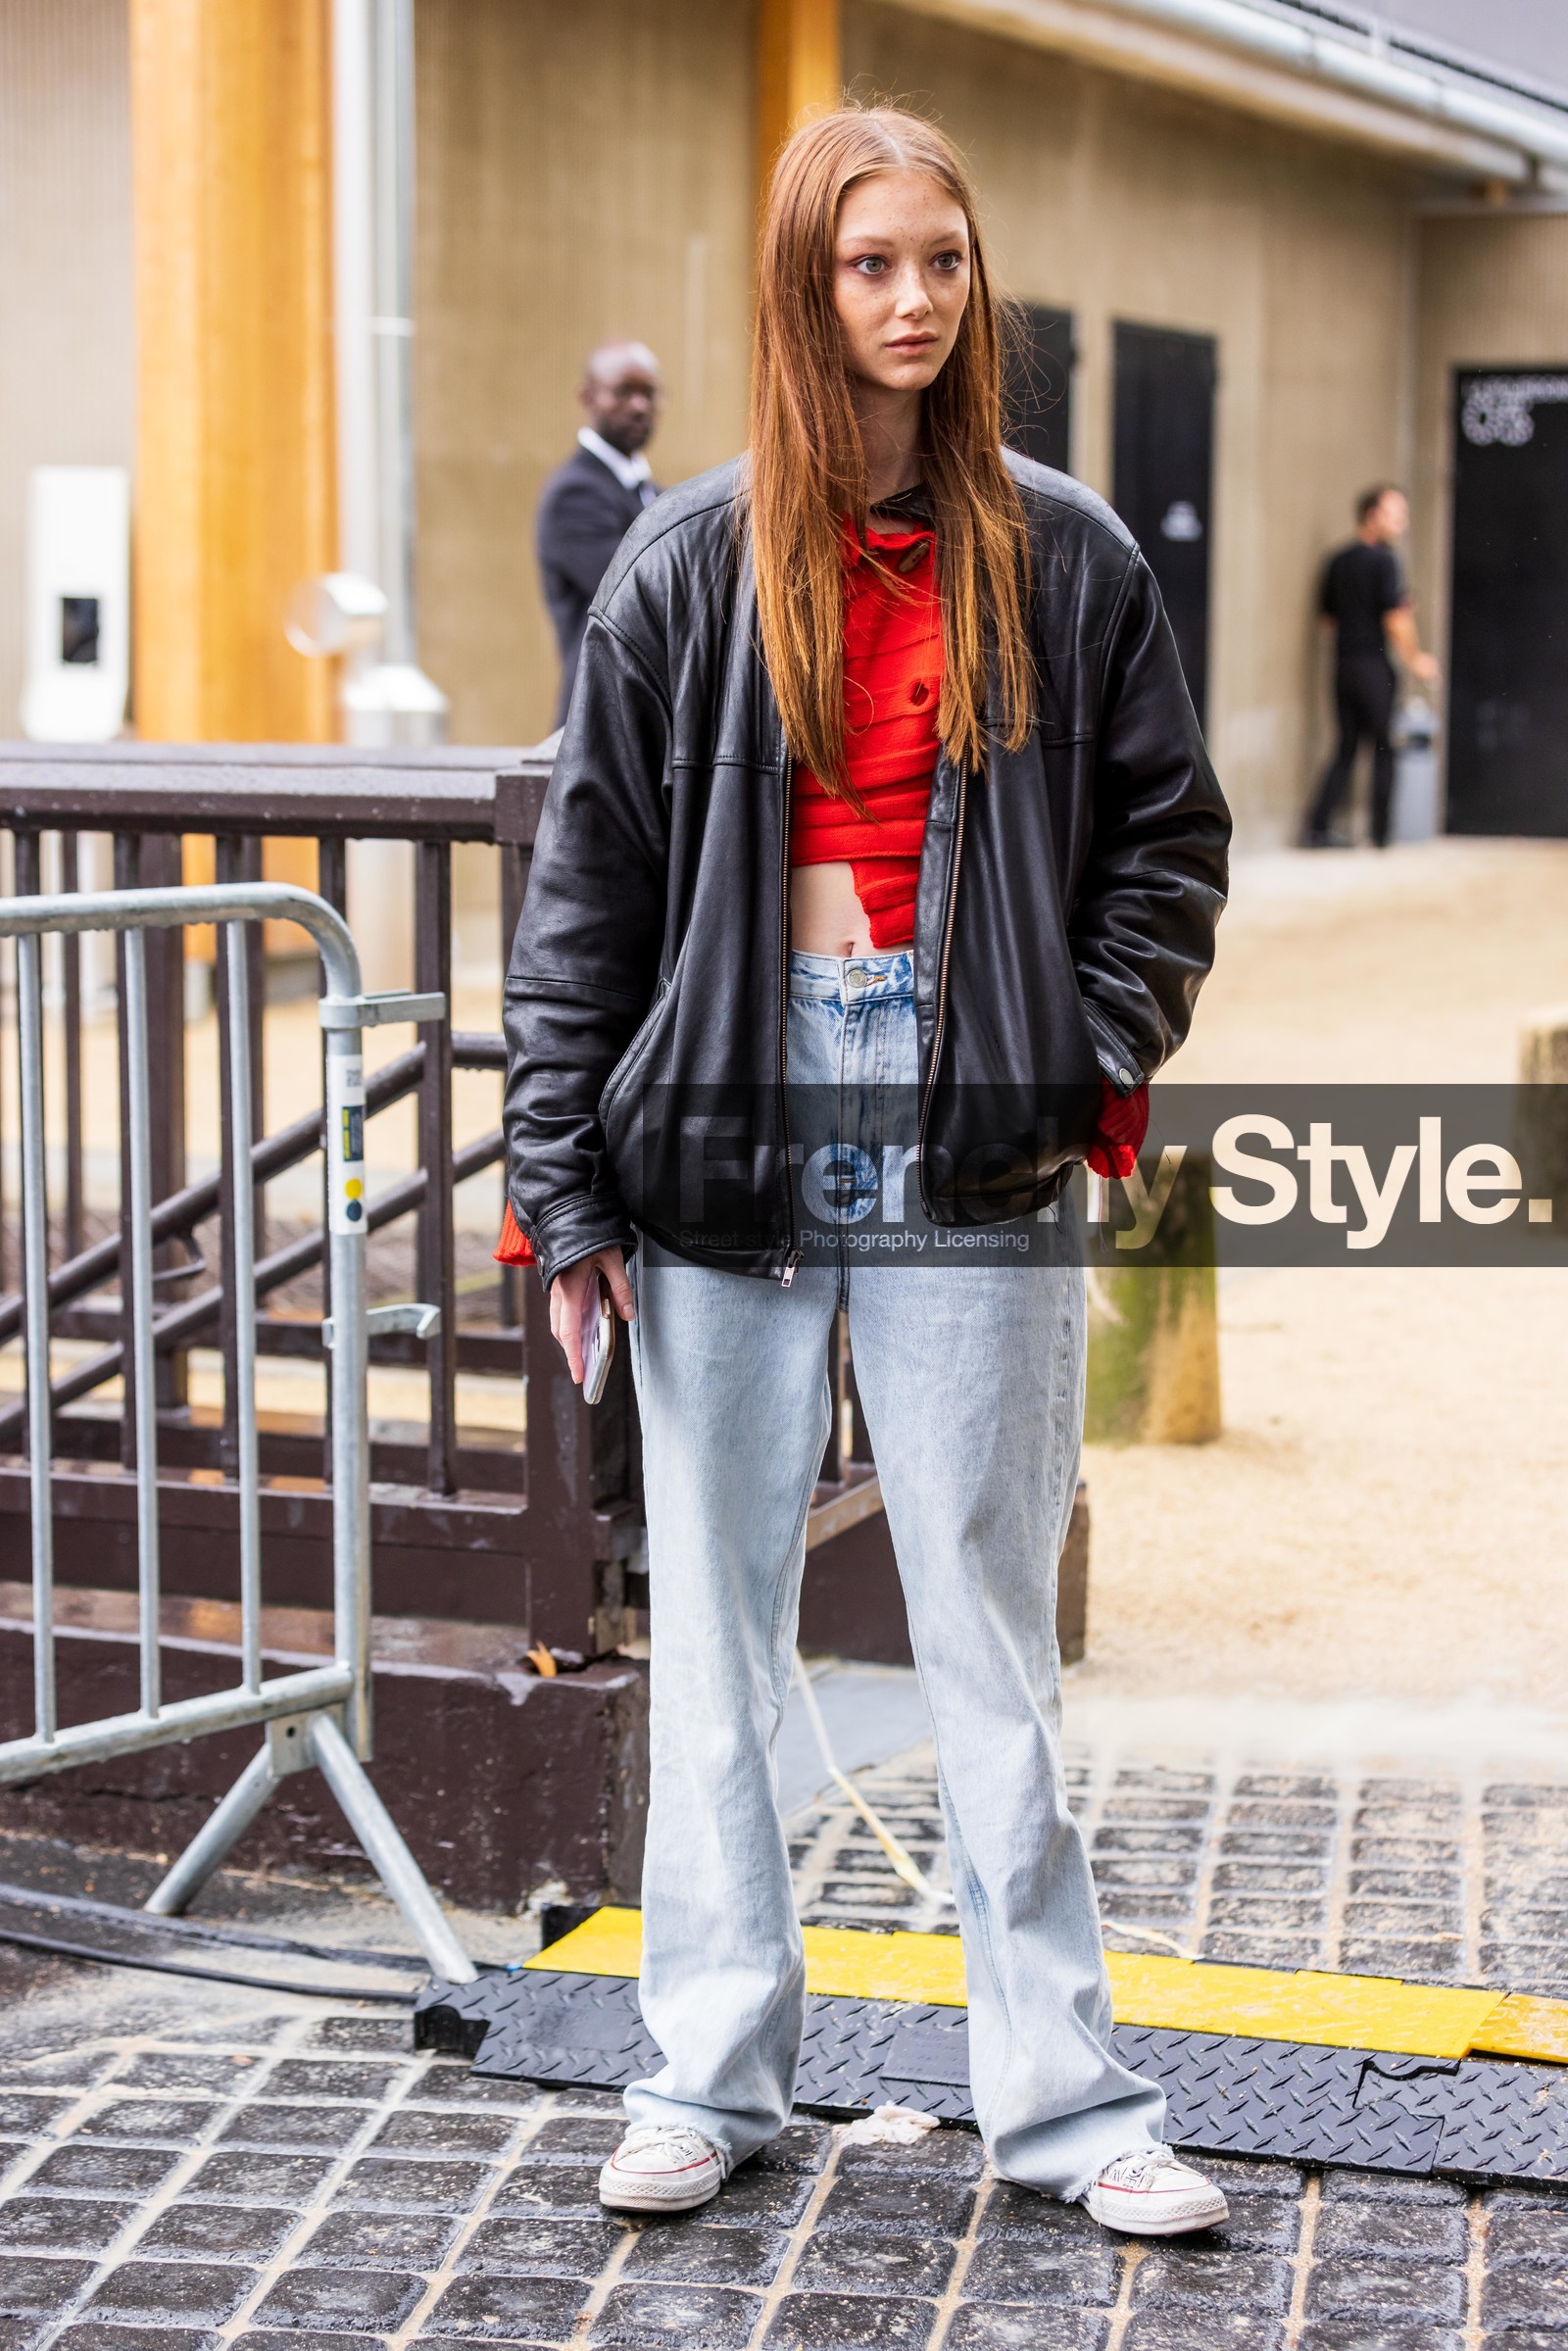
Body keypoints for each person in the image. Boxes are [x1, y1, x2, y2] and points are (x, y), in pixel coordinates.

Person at [503, 108, 1231, 2236]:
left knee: (984, 1632)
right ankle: (704, 2071)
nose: (913, 299)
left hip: (968, 1129)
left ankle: (1069, 2106)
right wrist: (562, 1193)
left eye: (941, 259)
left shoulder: (1068, 555)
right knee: (719, 1627)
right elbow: (586, 909)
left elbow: (1165, 850)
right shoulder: (684, 563)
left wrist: (1076, 1050)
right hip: (726, 1119)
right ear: (803, 291)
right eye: (868, 266)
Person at [1305, 484, 1441, 849]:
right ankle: (1381, 835)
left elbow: (1328, 620)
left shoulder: (1338, 560)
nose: (1402, 524)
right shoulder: (1385, 561)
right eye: (1396, 514)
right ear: (1372, 514)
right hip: (1374, 667)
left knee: (1347, 746)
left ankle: (1317, 828)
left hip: (1343, 665)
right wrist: (1416, 660)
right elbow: (1396, 619)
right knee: (1384, 748)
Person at [536, 341, 662, 724]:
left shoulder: (653, 492)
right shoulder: (575, 494)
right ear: (588, 397)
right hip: (599, 718)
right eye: (623, 392)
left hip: (643, 714)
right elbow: (640, 595)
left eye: (648, 394)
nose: (639, 406)